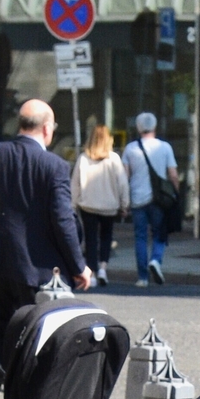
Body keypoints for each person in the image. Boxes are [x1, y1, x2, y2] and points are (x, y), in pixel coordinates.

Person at [0, 96, 87, 399]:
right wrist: (78, 267)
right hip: (37, 271)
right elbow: (62, 220)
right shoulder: (54, 165)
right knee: (33, 339)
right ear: (47, 129)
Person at [71, 119, 128, 289]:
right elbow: (122, 183)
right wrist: (124, 204)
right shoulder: (114, 159)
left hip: (88, 205)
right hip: (109, 206)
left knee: (90, 240)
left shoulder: (83, 159)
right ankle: (103, 268)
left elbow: (75, 184)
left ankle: (93, 273)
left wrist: (73, 204)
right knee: (106, 238)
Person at [121, 113, 176, 286]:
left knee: (140, 237)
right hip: (159, 199)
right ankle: (156, 260)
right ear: (155, 126)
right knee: (160, 234)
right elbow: (173, 174)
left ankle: (142, 277)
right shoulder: (165, 147)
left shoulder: (130, 149)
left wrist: (124, 199)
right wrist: (175, 192)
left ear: (138, 128)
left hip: (138, 198)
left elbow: (125, 176)